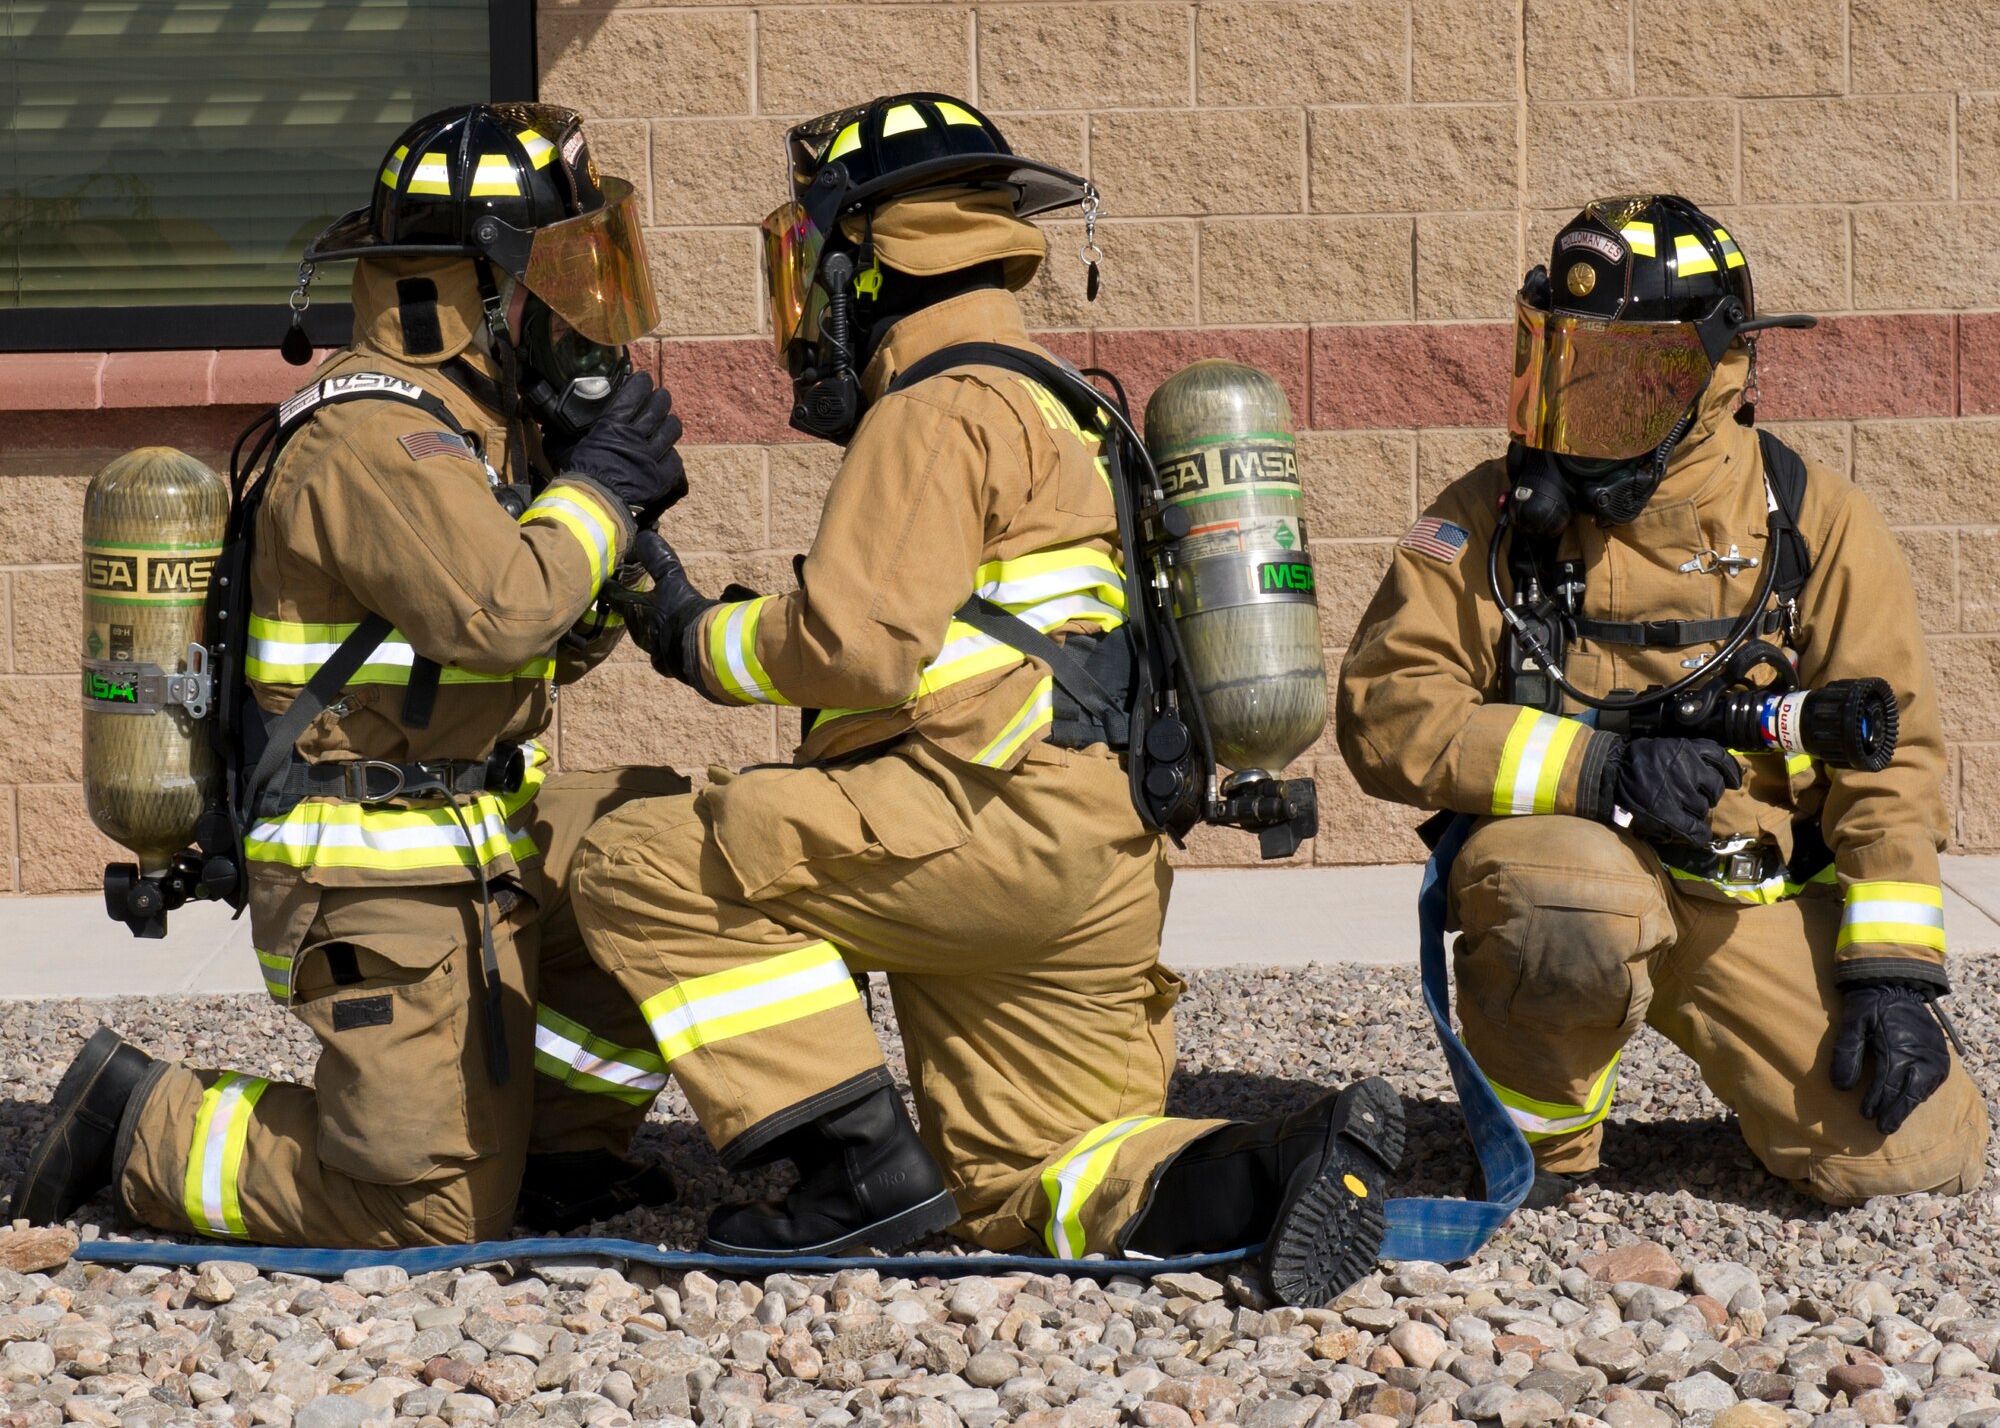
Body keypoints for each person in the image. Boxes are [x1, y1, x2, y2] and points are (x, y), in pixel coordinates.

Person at [569, 92, 1402, 1305]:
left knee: (638, 858)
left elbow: (854, 647)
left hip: (975, 825)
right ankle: (1284, 1163)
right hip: (1098, 857)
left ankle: (850, 1174)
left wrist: (689, 631)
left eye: (812, 263)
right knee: (1041, 1175)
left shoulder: (935, 408)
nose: (803, 307)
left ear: (866, 260)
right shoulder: (1066, 403)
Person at [10, 104, 692, 1246]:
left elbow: (534, 644)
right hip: (372, 874)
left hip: (471, 840)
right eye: (560, 274)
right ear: (472, 284)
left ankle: (559, 1158)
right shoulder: (380, 436)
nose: (582, 311)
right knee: (423, 1213)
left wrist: (614, 546)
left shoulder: (479, 422)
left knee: (663, 858)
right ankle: (140, 1117)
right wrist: (604, 493)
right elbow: (500, 607)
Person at [1339, 194, 1990, 1207]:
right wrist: (1596, 772)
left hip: (1749, 883)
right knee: (1567, 902)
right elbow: (1388, 711)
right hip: (1570, 861)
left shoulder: (1811, 521)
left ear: (1717, 374)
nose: (1583, 410)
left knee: (1910, 1159)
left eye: (1625, 382)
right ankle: (1538, 1144)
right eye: (1566, 368)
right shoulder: (1488, 519)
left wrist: (1892, 974)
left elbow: (1888, 762)